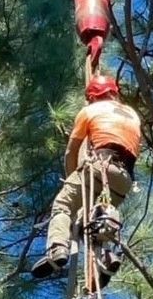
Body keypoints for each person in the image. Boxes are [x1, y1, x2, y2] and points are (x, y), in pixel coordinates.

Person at [32, 75, 142, 279]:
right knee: (93, 220)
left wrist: (73, 179)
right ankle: (106, 258)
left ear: (92, 97)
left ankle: (57, 249)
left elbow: (71, 152)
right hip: (124, 178)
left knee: (63, 205)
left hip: (98, 167)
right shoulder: (133, 116)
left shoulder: (89, 111)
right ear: (114, 92)